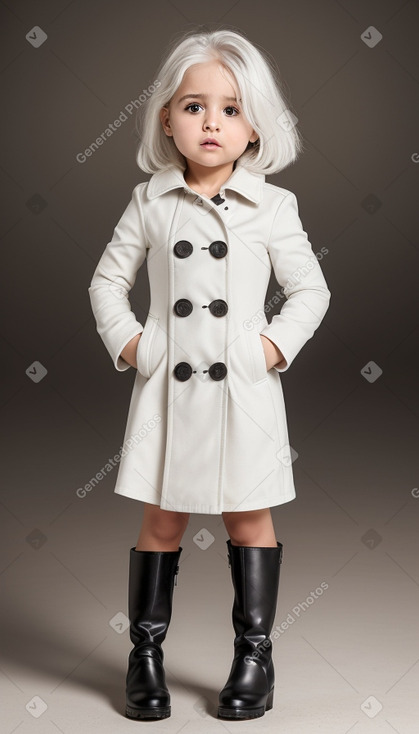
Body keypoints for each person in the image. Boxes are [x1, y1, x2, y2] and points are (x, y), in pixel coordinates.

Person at [88, 26, 331, 722]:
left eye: (230, 108)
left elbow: (310, 291)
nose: (211, 122)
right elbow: (106, 283)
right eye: (194, 106)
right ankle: (145, 656)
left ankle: (254, 657)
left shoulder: (273, 207)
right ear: (165, 117)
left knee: (248, 517)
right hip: (169, 390)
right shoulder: (149, 200)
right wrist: (137, 347)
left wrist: (267, 350)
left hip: (244, 395)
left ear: (255, 125)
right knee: (160, 519)